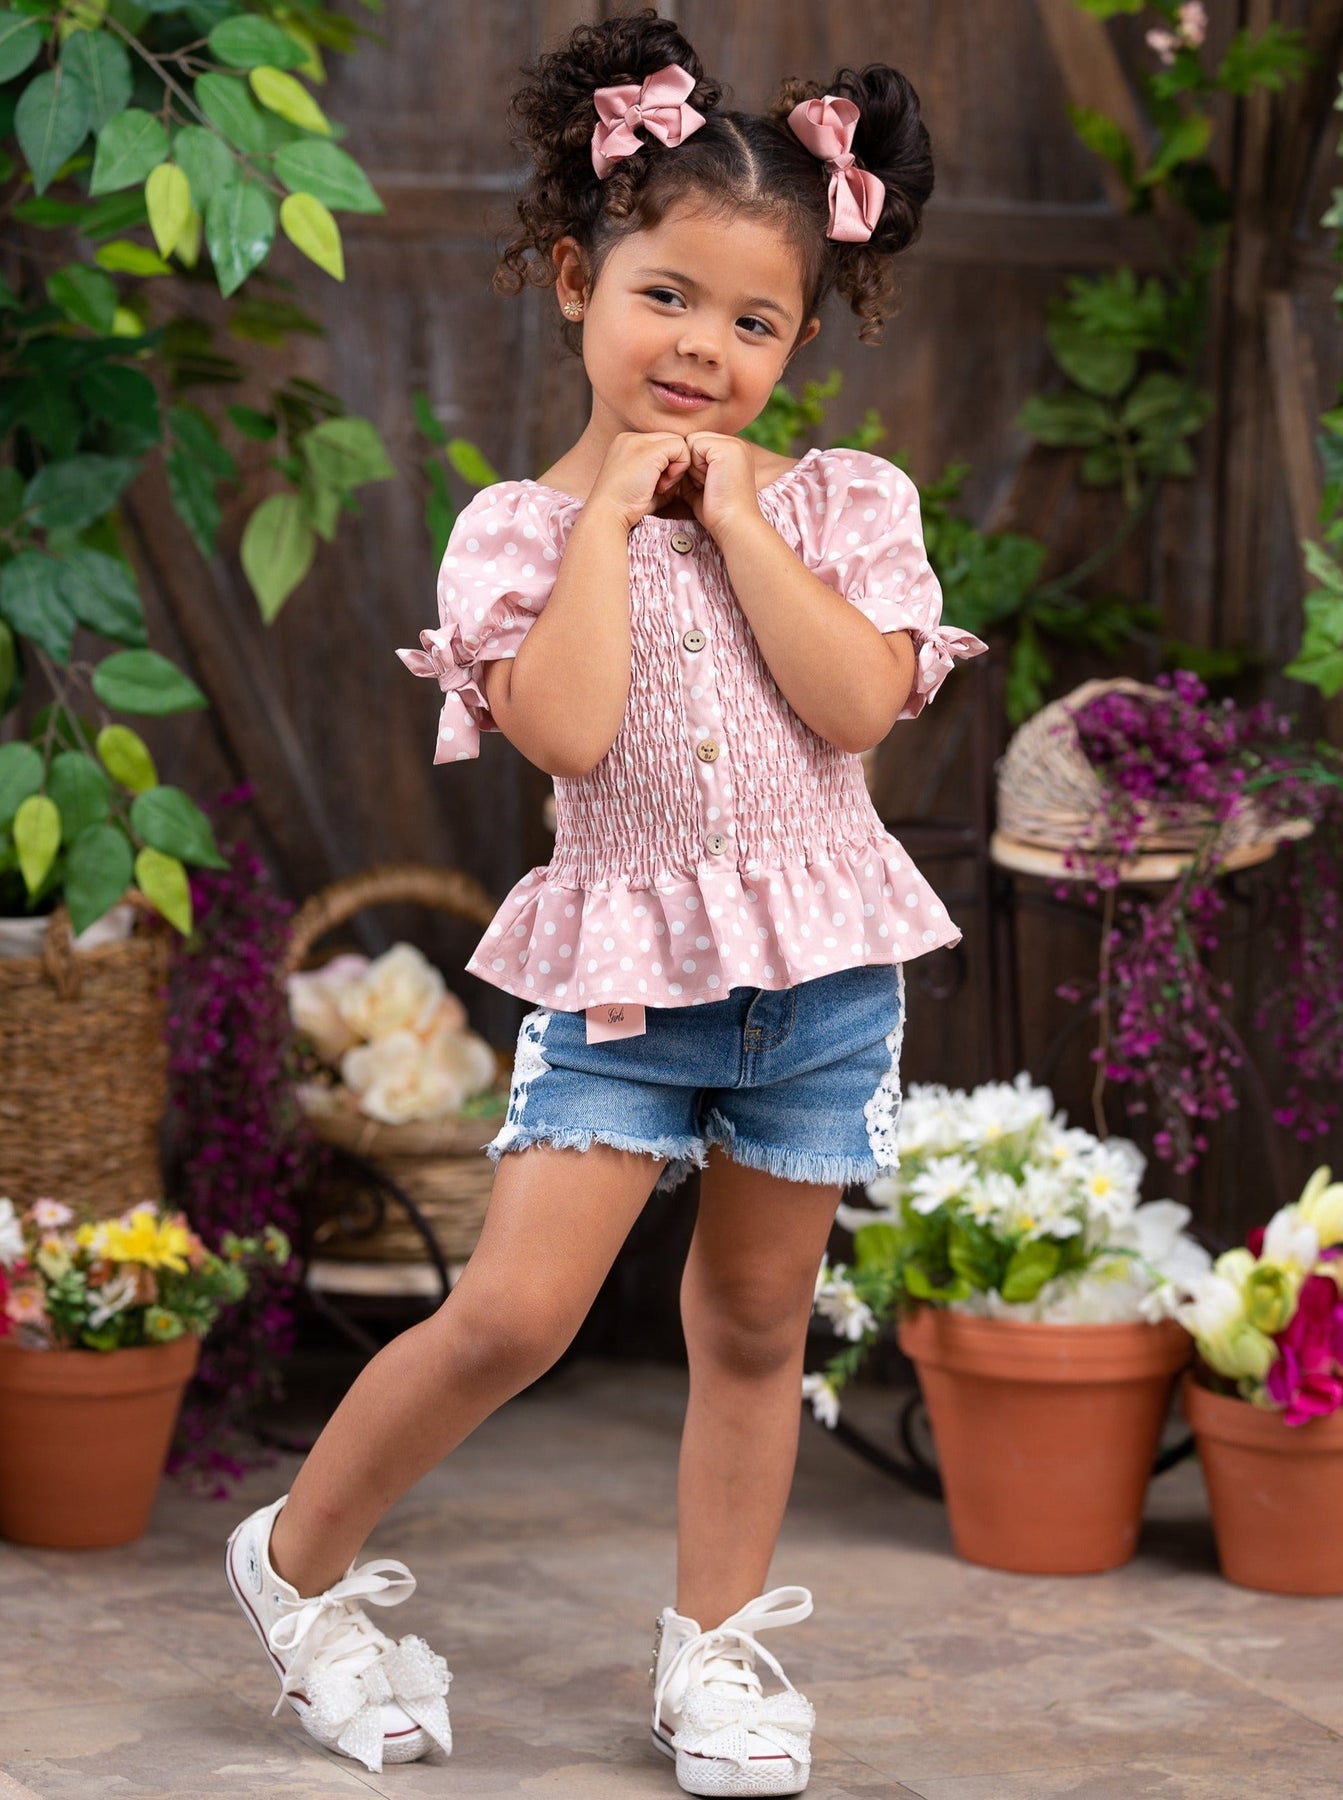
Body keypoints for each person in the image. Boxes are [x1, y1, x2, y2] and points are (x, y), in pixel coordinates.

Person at [226, 11, 986, 1796]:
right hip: (628, 993)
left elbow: (855, 707)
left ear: (802, 340)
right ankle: (295, 1565)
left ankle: (713, 1655)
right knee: (514, 1316)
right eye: (667, 297)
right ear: (578, 282)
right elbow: (563, 729)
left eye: (756, 322)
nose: (704, 347)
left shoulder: (839, 505)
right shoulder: (510, 533)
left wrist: (736, 525)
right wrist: (611, 523)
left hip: (822, 988)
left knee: (755, 1327)